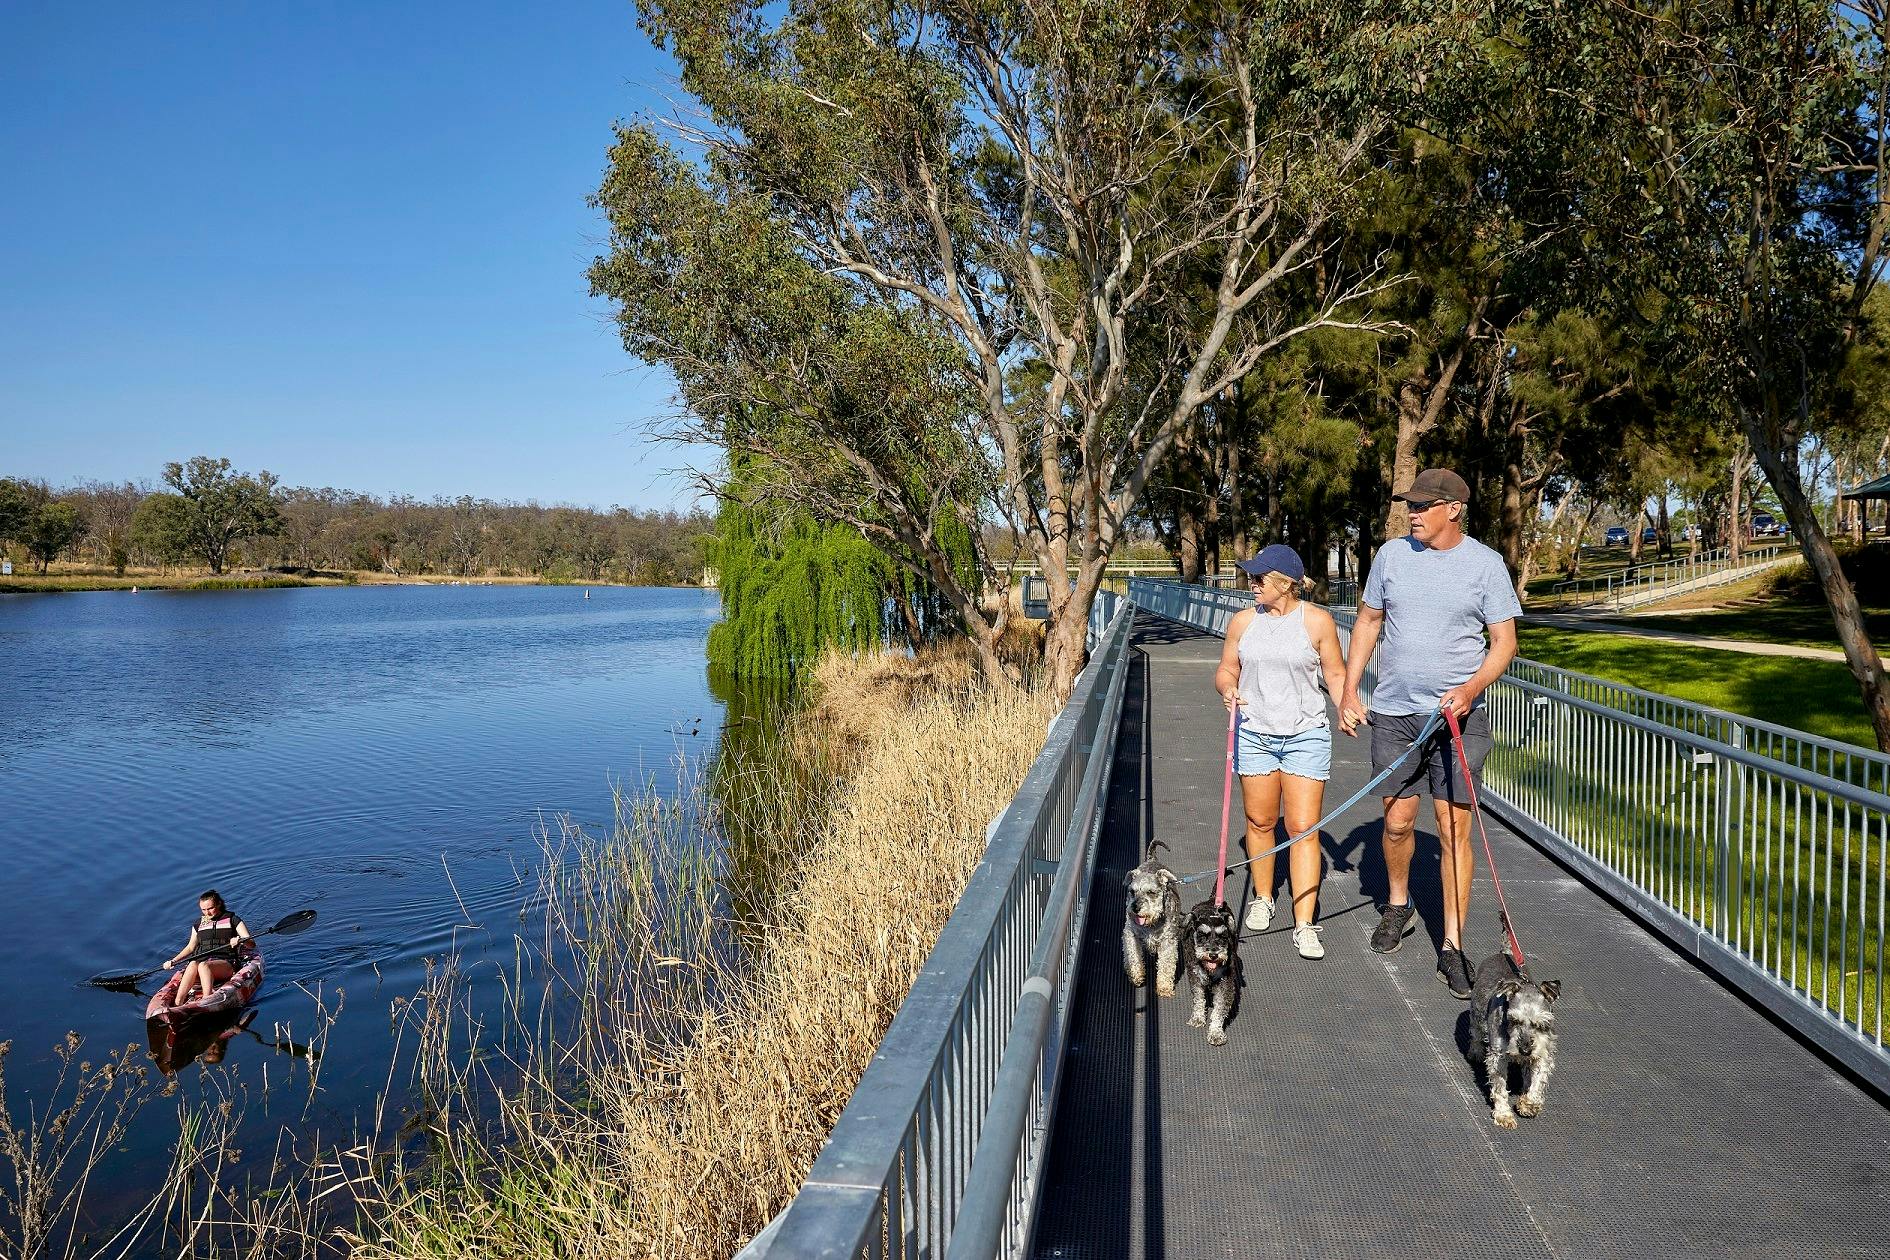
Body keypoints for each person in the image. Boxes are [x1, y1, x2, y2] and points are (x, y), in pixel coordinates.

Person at [1338, 468, 1521, 998]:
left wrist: (1471, 688)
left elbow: (1503, 643)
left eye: (1423, 505)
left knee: (1451, 830)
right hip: (1395, 713)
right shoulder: (1392, 556)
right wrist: (1351, 691)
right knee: (1396, 823)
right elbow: (1369, 622)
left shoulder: (1485, 565)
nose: (1412, 513)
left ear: (1453, 509)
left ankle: (1453, 944)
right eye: (1410, 505)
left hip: (1458, 718)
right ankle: (1399, 906)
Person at [1214, 543, 1351, 960]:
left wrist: (1347, 706)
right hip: (1255, 732)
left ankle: (1306, 923)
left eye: (1259, 578)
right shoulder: (1242, 622)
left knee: (1302, 829)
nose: (1251, 584)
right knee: (1259, 821)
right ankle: (1263, 897)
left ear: (1285, 584)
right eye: (1251, 577)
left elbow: (1336, 673)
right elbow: (1226, 669)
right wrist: (1227, 688)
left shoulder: (1318, 621)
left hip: (1305, 735)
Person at [164, 890, 251, 1005]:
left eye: (210, 908)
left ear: (219, 904)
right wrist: (173, 960)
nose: (207, 913)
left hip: (226, 964)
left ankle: (206, 1001)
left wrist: (240, 940)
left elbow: (251, 944)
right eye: (203, 910)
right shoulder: (198, 923)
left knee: (203, 965)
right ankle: (178, 1002)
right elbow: (190, 947)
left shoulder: (233, 920)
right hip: (201, 963)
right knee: (193, 963)